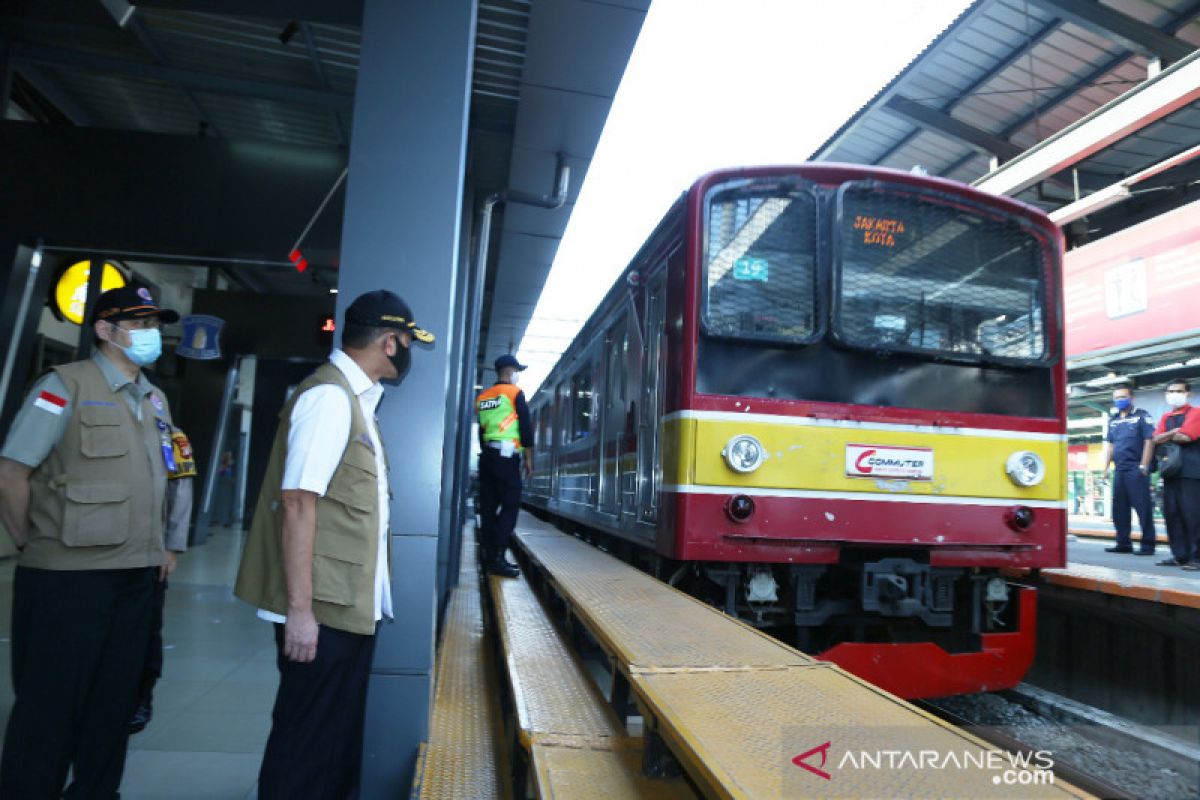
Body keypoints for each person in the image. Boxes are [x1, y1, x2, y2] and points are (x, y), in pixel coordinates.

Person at [234, 289, 434, 800]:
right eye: (408, 341)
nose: (407, 351)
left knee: (332, 742)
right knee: (306, 744)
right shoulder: (328, 399)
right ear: (391, 341)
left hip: (343, 607)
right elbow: (298, 503)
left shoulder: (356, 400)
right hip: (320, 612)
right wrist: (300, 614)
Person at [0, 285, 180, 798]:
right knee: (50, 707)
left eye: (153, 324)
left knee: (115, 705)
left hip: (136, 576)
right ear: (105, 329)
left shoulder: (155, 397)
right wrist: (31, 541)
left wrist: (166, 548)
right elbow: (11, 473)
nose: (150, 334)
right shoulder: (63, 386)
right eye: (138, 323)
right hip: (67, 579)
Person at [131, 425, 196, 733]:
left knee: (146, 631)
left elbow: (182, 485)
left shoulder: (167, 431)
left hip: (150, 551)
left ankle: (141, 697)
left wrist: (172, 545)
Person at [475, 354, 534, 578]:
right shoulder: (515, 394)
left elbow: (482, 429)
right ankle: (498, 558)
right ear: (509, 371)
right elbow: (525, 428)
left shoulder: (483, 397)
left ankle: (490, 555)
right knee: (510, 505)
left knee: (489, 507)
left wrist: (487, 451)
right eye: (517, 370)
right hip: (507, 457)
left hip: (488, 455)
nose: (518, 374)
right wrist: (528, 458)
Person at [1151, 379, 1200, 570]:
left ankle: (1197, 558)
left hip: (1192, 472)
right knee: (1172, 514)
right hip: (1171, 472)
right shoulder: (1166, 416)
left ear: (1188, 394)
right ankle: (1180, 555)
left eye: (1178, 391)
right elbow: (1155, 439)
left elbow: (1186, 437)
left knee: (1193, 515)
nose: (1174, 394)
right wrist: (1173, 432)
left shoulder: (1196, 413)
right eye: (1170, 391)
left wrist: (1167, 435)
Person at [1103, 383, 1156, 555]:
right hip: (1119, 470)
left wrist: (1144, 465)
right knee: (1119, 509)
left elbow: (1149, 440)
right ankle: (1123, 543)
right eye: (1117, 397)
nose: (1120, 400)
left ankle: (1148, 545)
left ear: (1131, 398)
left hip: (1136, 469)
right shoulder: (1113, 420)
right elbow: (1110, 446)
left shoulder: (1142, 416)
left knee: (1143, 508)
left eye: (1123, 397)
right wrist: (1105, 468)